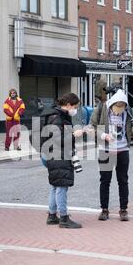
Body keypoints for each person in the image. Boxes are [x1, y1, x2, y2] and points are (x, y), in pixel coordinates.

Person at [90, 89, 133, 222]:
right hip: (106, 150)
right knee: (105, 181)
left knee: (123, 180)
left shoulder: (128, 110)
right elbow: (91, 127)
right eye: (117, 108)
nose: (119, 111)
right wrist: (103, 135)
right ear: (111, 105)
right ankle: (104, 209)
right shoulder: (101, 109)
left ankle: (123, 209)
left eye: (122, 108)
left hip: (123, 150)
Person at [41, 93, 84, 229]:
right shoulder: (58, 117)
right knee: (61, 186)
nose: (75, 110)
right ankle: (64, 218)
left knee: (55, 185)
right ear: (68, 105)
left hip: (51, 154)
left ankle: (52, 215)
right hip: (58, 154)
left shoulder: (53, 114)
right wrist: (74, 135)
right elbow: (58, 139)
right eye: (75, 107)